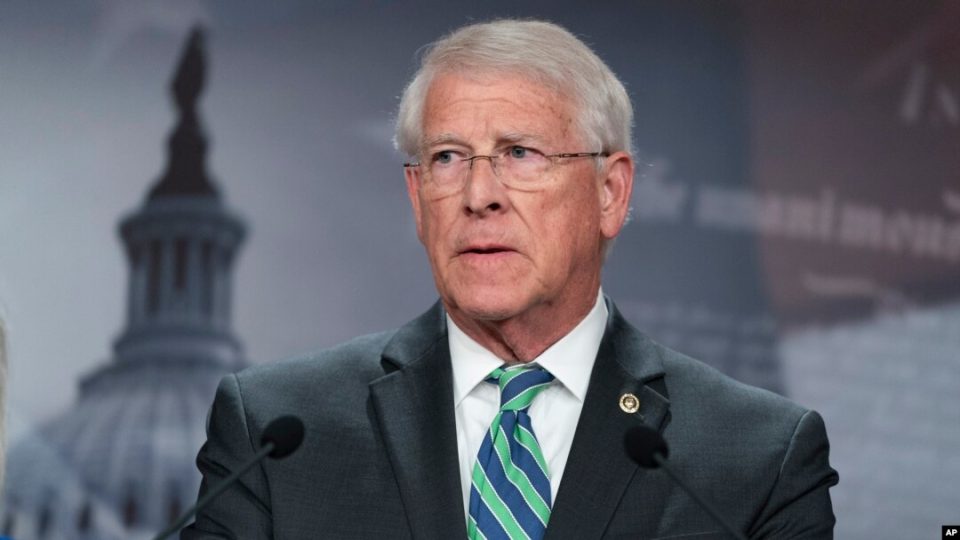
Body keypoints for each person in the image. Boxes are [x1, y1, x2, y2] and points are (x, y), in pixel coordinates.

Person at [183, 19, 837, 539]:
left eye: (520, 153)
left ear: (610, 193)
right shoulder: (276, 434)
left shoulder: (757, 459)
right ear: (417, 199)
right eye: (447, 158)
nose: (479, 196)